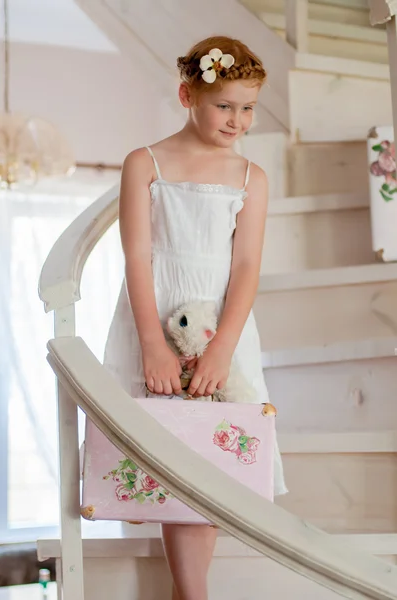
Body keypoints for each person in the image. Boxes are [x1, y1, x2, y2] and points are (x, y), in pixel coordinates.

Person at [103, 35, 287, 600]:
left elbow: (248, 266)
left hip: (223, 334)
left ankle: (191, 593)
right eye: (224, 105)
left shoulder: (251, 176)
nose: (238, 120)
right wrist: (153, 344)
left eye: (249, 107)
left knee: (213, 458)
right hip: (156, 320)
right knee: (172, 457)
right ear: (188, 95)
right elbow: (137, 255)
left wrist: (223, 348)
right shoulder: (145, 163)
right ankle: (193, 593)